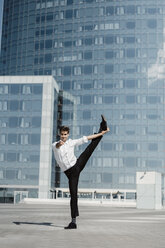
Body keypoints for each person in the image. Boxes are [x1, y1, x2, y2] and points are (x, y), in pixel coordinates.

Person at [52, 115, 109, 229]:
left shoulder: (71, 142)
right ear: (60, 134)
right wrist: (60, 144)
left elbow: (87, 138)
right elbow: (57, 146)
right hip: (70, 173)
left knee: (90, 148)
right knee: (73, 195)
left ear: (68, 135)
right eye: (62, 134)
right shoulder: (55, 145)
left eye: (65, 134)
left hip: (76, 165)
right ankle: (73, 222)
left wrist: (102, 133)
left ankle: (102, 128)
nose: (64, 136)